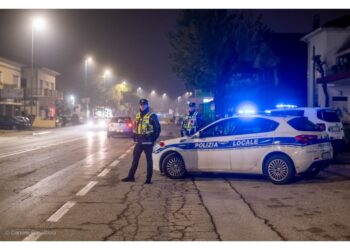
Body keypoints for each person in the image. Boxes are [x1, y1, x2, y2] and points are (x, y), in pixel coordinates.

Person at [122, 98, 161, 184]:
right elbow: (135, 128)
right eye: (141, 105)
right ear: (139, 105)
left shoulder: (152, 115)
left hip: (148, 143)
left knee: (149, 161)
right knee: (135, 160)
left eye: (144, 105)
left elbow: (158, 129)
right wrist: (134, 137)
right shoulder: (137, 115)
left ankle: (148, 179)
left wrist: (153, 139)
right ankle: (130, 176)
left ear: (147, 105)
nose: (142, 106)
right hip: (139, 143)